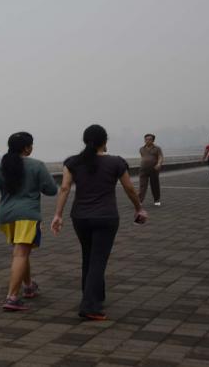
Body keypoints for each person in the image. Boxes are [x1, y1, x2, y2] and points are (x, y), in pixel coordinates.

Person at [51, 125, 146, 321]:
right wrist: (139, 208)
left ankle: (95, 296)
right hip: (106, 217)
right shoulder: (116, 162)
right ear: (105, 141)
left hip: (80, 217)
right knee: (98, 260)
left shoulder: (72, 162)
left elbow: (65, 188)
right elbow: (129, 188)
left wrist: (58, 215)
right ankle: (90, 306)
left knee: (89, 256)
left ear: (85, 140)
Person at [0, 132, 57, 311]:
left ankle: (28, 286)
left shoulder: (1, 166)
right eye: (31, 145)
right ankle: (11, 297)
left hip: (7, 216)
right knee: (20, 254)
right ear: (27, 148)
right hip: (27, 215)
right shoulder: (37, 165)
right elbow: (51, 190)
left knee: (22, 251)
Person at [137, 134, 163, 207]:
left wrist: (159, 164)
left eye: (150, 139)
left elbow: (160, 157)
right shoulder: (141, 149)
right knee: (142, 185)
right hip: (143, 169)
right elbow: (143, 157)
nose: (147, 141)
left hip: (154, 169)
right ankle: (139, 200)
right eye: (146, 139)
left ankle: (156, 200)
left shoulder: (157, 148)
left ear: (153, 140)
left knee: (155, 185)